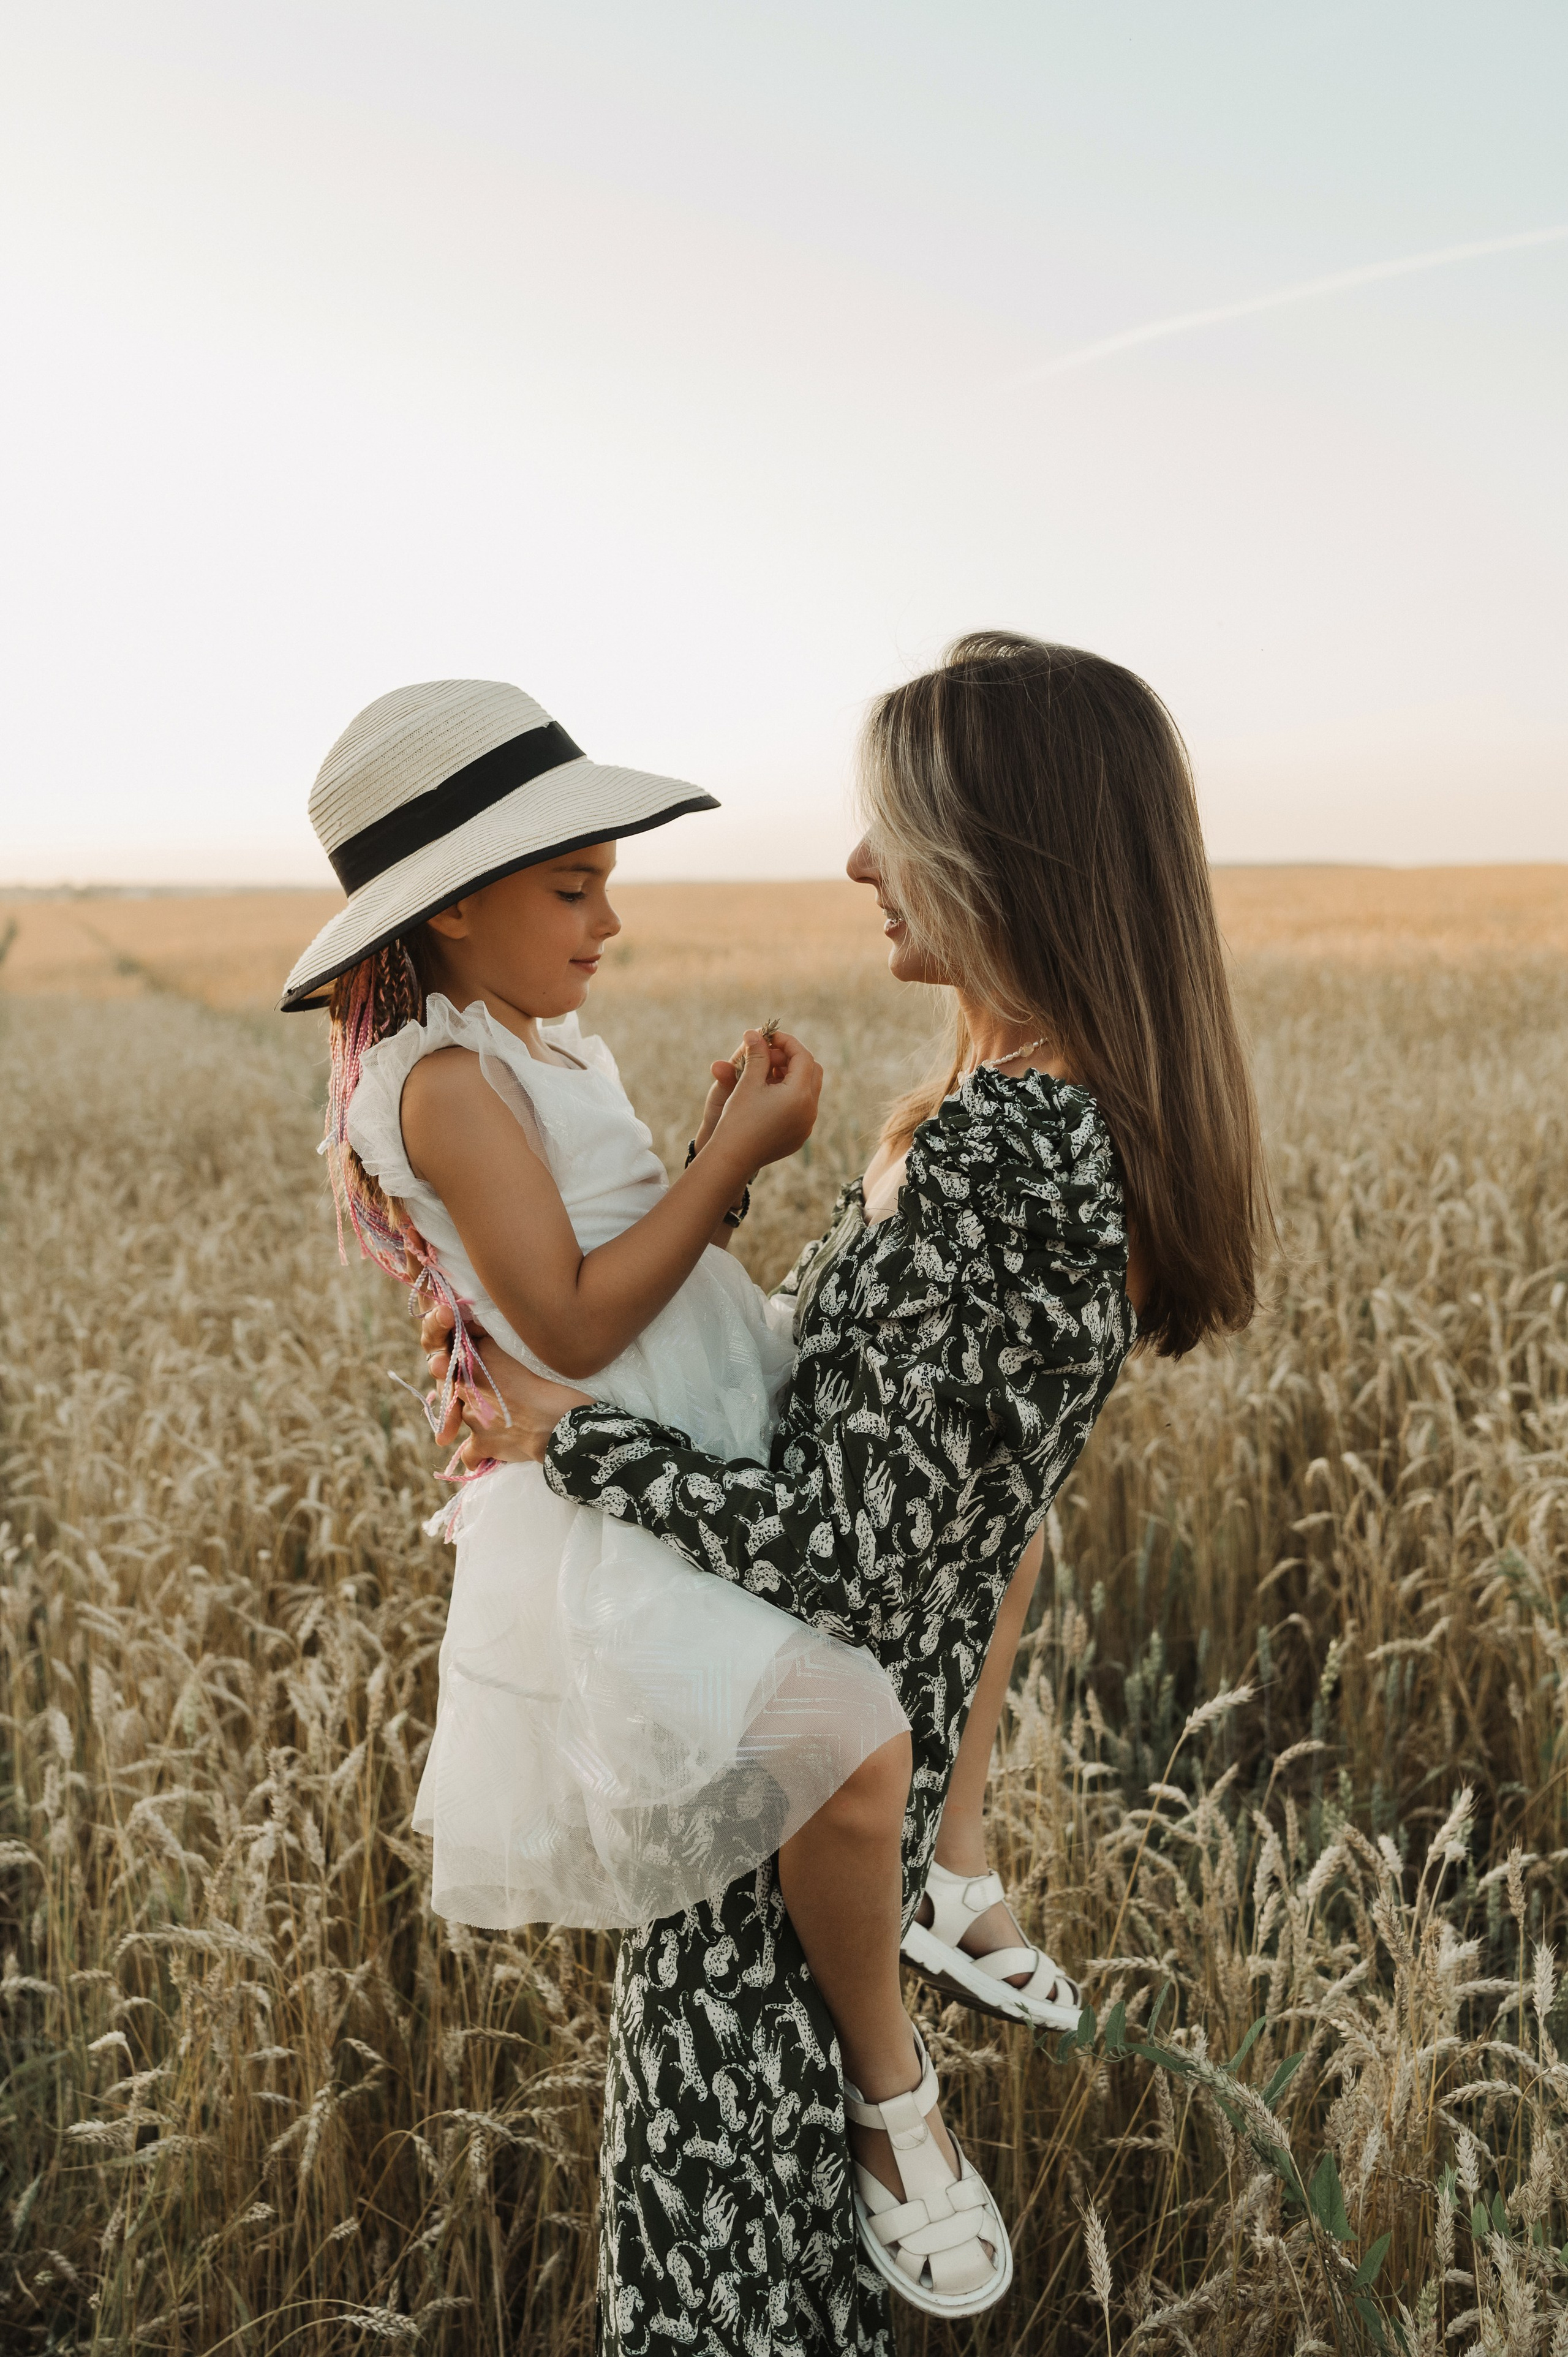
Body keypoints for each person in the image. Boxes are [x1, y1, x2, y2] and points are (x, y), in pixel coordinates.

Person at [423, 635, 1272, 2351]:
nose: (862, 860)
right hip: (836, 1812)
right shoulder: (1042, 1122)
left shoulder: (997, 1155)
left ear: (1005, 849)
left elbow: (845, 1556)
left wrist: (563, 1434)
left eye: (898, 823)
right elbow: (959, 1493)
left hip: (778, 1851)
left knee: (717, 2306)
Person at [281, 677, 1022, 2310]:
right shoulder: (441, 1081)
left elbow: (624, 1263)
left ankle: (958, 1867)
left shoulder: (530, 1042)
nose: (608, 922)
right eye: (574, 888)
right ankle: (894, 2099)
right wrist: (737, 1162)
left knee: (1002, 1518)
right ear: (454, 905)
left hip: (705, 1408)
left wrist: (700, 1155)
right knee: (848, 1738)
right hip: (616, 1494)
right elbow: (569, 1325)